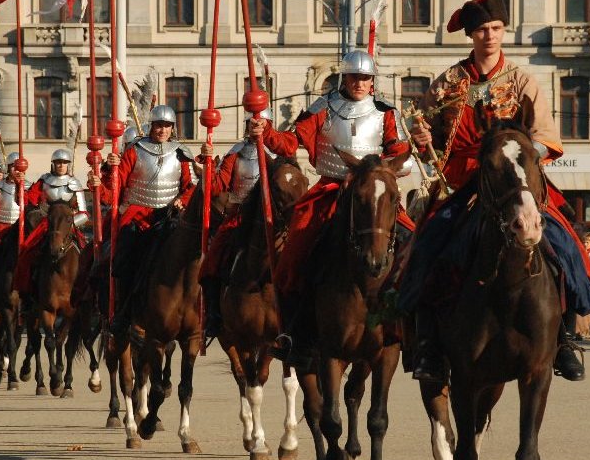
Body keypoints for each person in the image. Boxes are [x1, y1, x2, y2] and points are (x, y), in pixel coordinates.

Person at [405, 0, 590, 383]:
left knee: (563, 239)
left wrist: (517, 158)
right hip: (462, 181)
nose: (489, 36)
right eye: (481, 30)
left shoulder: (523, 80)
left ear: (503, 31)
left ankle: (567, 336)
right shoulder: (448, 84)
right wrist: (423, 140)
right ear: (470, 35)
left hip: (514, 179)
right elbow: (432, 146)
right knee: (428, 244)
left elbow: (545, 137)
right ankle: (427, 342)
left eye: (495, 29)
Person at [260, 51, 413, 366]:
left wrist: (403, 157)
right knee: (294, 251)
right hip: (330, 190)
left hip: (373, 191)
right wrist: (266, 133)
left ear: (373, 81)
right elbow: (290, 143)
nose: (360, 83)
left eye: (366, 78)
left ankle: (409, 327)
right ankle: (293, 332)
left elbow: (401, 152)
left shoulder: (386, 111)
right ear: (345, 78)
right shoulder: (323, 107)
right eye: (355, 77)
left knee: (414, 243)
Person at [99, 105, 197, 334]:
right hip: (138, 216)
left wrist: (183, 199)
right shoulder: (135, 150)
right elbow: (118, 185)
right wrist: (110, 168)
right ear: (151, 126)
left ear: (173, 128)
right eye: (158, 125)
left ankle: (196, 311)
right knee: (125, 257)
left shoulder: (182, 153)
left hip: (169, 216)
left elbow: (191, 186)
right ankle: (124, 311)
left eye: (167, 125)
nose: (162, 130)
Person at [198, 107, 276, 338]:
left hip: (269, 217)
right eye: (253, 123)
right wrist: (209, 164)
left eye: (261, 123)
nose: (256, 127)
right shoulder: (236, 153)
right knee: (212, 260)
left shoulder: (278, 154)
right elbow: (216, 187)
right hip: (238, 217)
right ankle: (214, 314)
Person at [13, 148, 90, 299]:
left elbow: (84, 214)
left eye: (63, 163)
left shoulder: (75, 183)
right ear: (53, 164)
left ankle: (85, 294)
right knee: (28, 252)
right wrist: (19, 185)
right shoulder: (44, 181)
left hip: (69, 226)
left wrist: (69, 224)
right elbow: (28, 200)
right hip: (47, 223)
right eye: (58, 162)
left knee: (87, 256)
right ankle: (29, 291)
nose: (61, 165)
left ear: (68, 164)